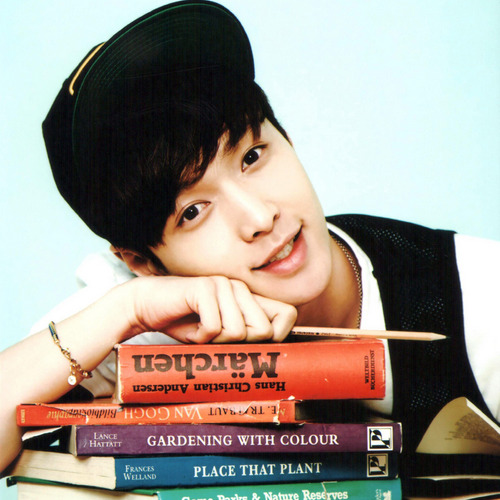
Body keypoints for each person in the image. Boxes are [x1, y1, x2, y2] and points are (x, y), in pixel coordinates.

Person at [0, 0, 498, 475]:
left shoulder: (475, 290)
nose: (260, 217)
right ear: (143, 263)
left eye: (252, 156)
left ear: (287, 139)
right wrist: (126, 311)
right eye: (193, 212)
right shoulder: (137, 329)